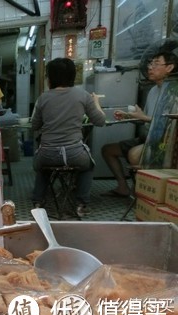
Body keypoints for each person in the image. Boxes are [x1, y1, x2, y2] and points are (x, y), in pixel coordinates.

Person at [31, 58, 106, 217]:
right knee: (89, 165)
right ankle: (81, 204)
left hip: (47, 154)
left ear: (50, 78)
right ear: (73, 76)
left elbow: (34, 125)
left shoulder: (43, 98)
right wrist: (96, 102)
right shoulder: (83, 95)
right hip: (74, 154)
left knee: (43, 168)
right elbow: (100, 121)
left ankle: (37, 202)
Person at [100, 51, 178, 197]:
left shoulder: (173, 92)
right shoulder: (153, 90)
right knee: (107, 150)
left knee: (134, 155)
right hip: (146, 137)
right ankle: (123, 187)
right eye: (150, 63)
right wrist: (129, 116)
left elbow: (170, 124)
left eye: (156, 63)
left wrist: (143, 117)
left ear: (169, 68)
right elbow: (147, 118)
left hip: (163, 141)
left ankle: (144, 194)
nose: (150, 67)